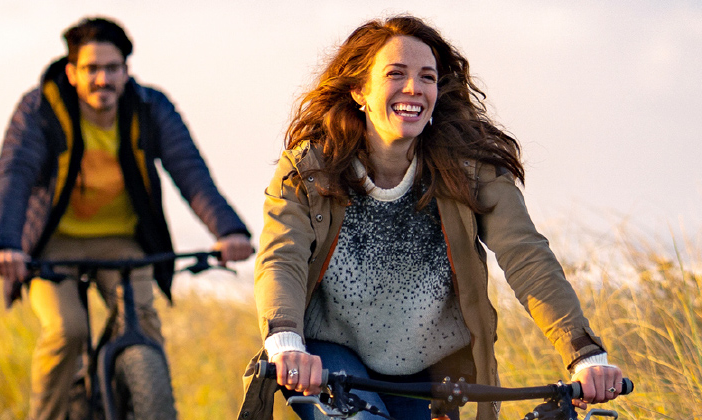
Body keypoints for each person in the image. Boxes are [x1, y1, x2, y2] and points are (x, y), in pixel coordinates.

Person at [239, 15, 624, 420]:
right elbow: (281, 258)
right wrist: (284, 342)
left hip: (429, 370)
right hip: (333, 356)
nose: (414, 88)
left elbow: (526, 256)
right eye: (395, 74)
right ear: (359, 90)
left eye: (427, 77)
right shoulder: (309, 168)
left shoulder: (472, 169)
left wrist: (585, 353)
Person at [0, 17, 253, 420]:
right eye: (92, 69)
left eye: (113, 69)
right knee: (66, 331)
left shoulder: (150, 107)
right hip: (51, 244)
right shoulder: (41, 108)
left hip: (124, 241)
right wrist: (4, 243)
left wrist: (228, 230)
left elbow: (190, 171)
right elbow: (15, 175)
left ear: (127, 71)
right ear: (72, 72)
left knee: (143, 326)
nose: (103, 80)